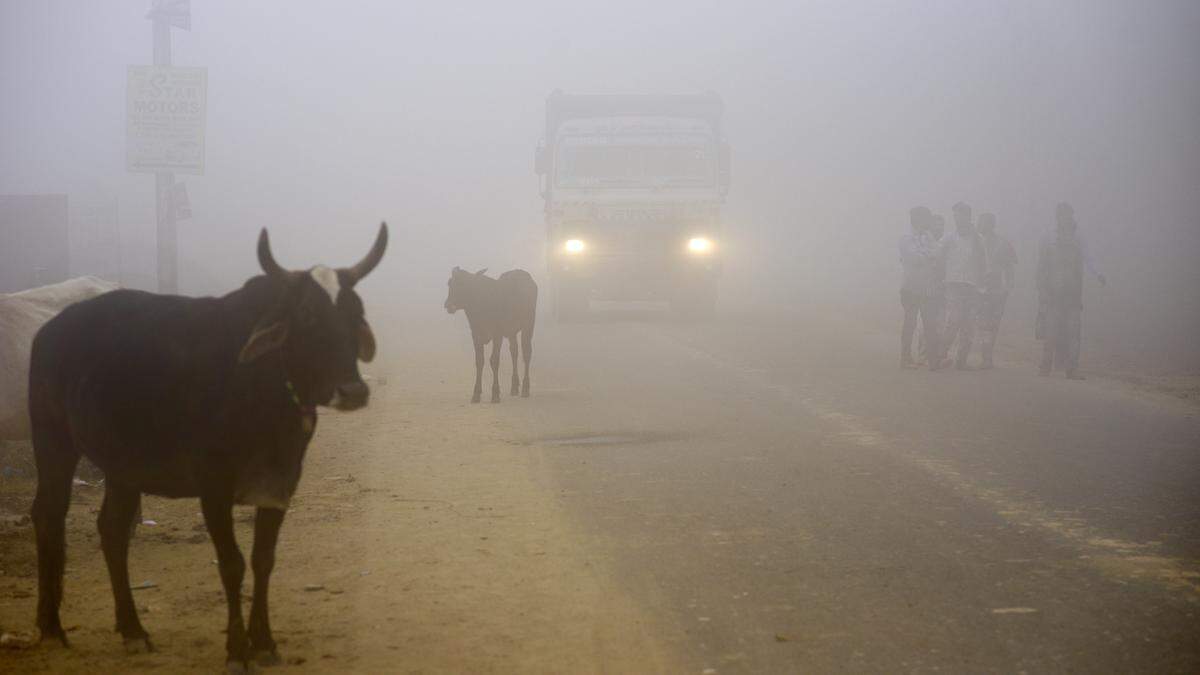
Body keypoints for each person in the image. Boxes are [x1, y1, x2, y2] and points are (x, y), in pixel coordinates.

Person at [1036, 202, 1106, 379]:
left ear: (1071, 216)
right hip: (1053, 294)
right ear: (1057, 216)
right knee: (1051, 333)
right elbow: (1041, 267)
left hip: (1073, 295)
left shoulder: (1078, 238)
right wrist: (1041, 291)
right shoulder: (1049, 237)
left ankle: (1072, 369)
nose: (1065, 218)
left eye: (1067, 214)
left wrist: (1099, 274)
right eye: (1061, 214)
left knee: (1074, 334)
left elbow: (1089, 257)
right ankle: (1045, 366)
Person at [940, 202, 985, 369]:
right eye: (956, 216)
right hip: (953, 284)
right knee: (954, 319)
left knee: (969, 323)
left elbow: (982, 261)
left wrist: (981, 284)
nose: (958, 219)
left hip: (971, 285)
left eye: (961, 215)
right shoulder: (949, 237)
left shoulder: (977, 239)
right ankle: (941, 352)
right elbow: (938, 256)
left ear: (968, 216)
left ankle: (962, 360)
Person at [899, 206, 941, 369]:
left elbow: (937, 254)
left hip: (927, 287)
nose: (929, 222)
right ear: (917, 219)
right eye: (926, 218)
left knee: (930, 323)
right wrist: (928, 256)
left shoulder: (929, 237)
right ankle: (905, 358)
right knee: (910, 322)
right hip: (910, 286)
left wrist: (926, 256)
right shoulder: (905, 238)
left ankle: (933, 360)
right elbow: (914, 258)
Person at [977, 212, 1017, 369]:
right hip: (980, 289)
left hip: (998, 290)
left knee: (993, 324)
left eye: (982, 222)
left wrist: (1009, 287)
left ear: (990, 224)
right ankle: (985, 357)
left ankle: (987, 356)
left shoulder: (1003, 243)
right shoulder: (975, 242)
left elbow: (1010, 267)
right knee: (983, 323)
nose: (979, 225)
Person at [916, 213, 947, 366]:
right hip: (926, 288)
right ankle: (923, 354)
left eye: (942, 225)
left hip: (942, 288)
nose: (940, 228)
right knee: (926, 323)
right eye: (937, 224)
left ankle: (937, 355)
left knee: (940, 323)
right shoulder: (924, 242)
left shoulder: (945, 242)